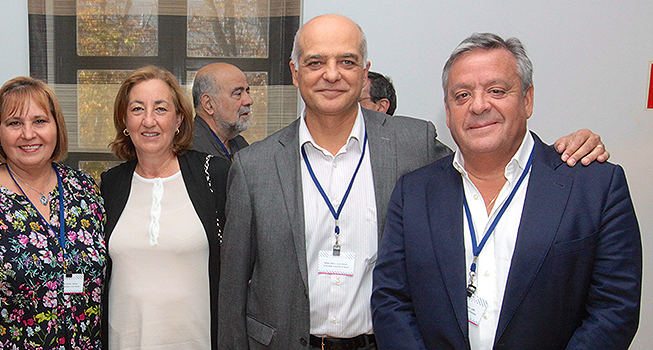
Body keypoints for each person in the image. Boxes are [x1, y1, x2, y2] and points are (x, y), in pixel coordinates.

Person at [217, 14, 611, 350]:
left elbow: (486, 158)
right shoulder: (254, 165)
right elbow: (233, 290)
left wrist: (568, 148)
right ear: (295, 71)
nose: (332, 74)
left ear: (364, 71)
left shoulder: (413, 142)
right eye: (316, 61)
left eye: (347, 61)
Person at [371, 33, 641, 350]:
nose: (479, 105)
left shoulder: (595, 187)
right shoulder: (414, 193)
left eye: (497, 91)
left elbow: (614, 310)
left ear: (527, 99)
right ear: (447, 111)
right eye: (462, 95)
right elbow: (391, 300)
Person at [0, 76, 106, 349]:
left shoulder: (84, 190)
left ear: (56, 127)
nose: (28, 134)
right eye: (14, 123)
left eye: (40, 121)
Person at [101, 65, 229, 349]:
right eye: (137, 109)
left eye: (160, 109)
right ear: (124, 119)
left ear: (179, 119)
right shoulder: (110, 185)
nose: (149, 121)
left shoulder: (215, 176)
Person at [191, 62, 254, 160]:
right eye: (238, 94)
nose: (249, 100)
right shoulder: (191, 151)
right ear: (209, 104)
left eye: (247, 92)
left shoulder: (240, 143)